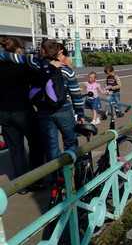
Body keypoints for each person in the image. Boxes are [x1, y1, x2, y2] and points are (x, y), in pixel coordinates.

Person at [1, 39, 85, 182]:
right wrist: (80, 113)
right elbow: (76, 94)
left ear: (42, 51)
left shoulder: (35, 64)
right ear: (59, 51)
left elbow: (5, 56)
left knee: (50, 146)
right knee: (70, 141)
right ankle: (72, 175)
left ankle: (55, 178)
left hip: (43, 112)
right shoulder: (66, 70)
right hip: (62, 110)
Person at [0, 37, 45, 193]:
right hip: (23, 109)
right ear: (18, 49)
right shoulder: (24, 66)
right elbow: (39, 81)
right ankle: (37, 179)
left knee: (15, 148)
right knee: (35, 144)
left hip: (4, 112)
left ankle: (21, 184)